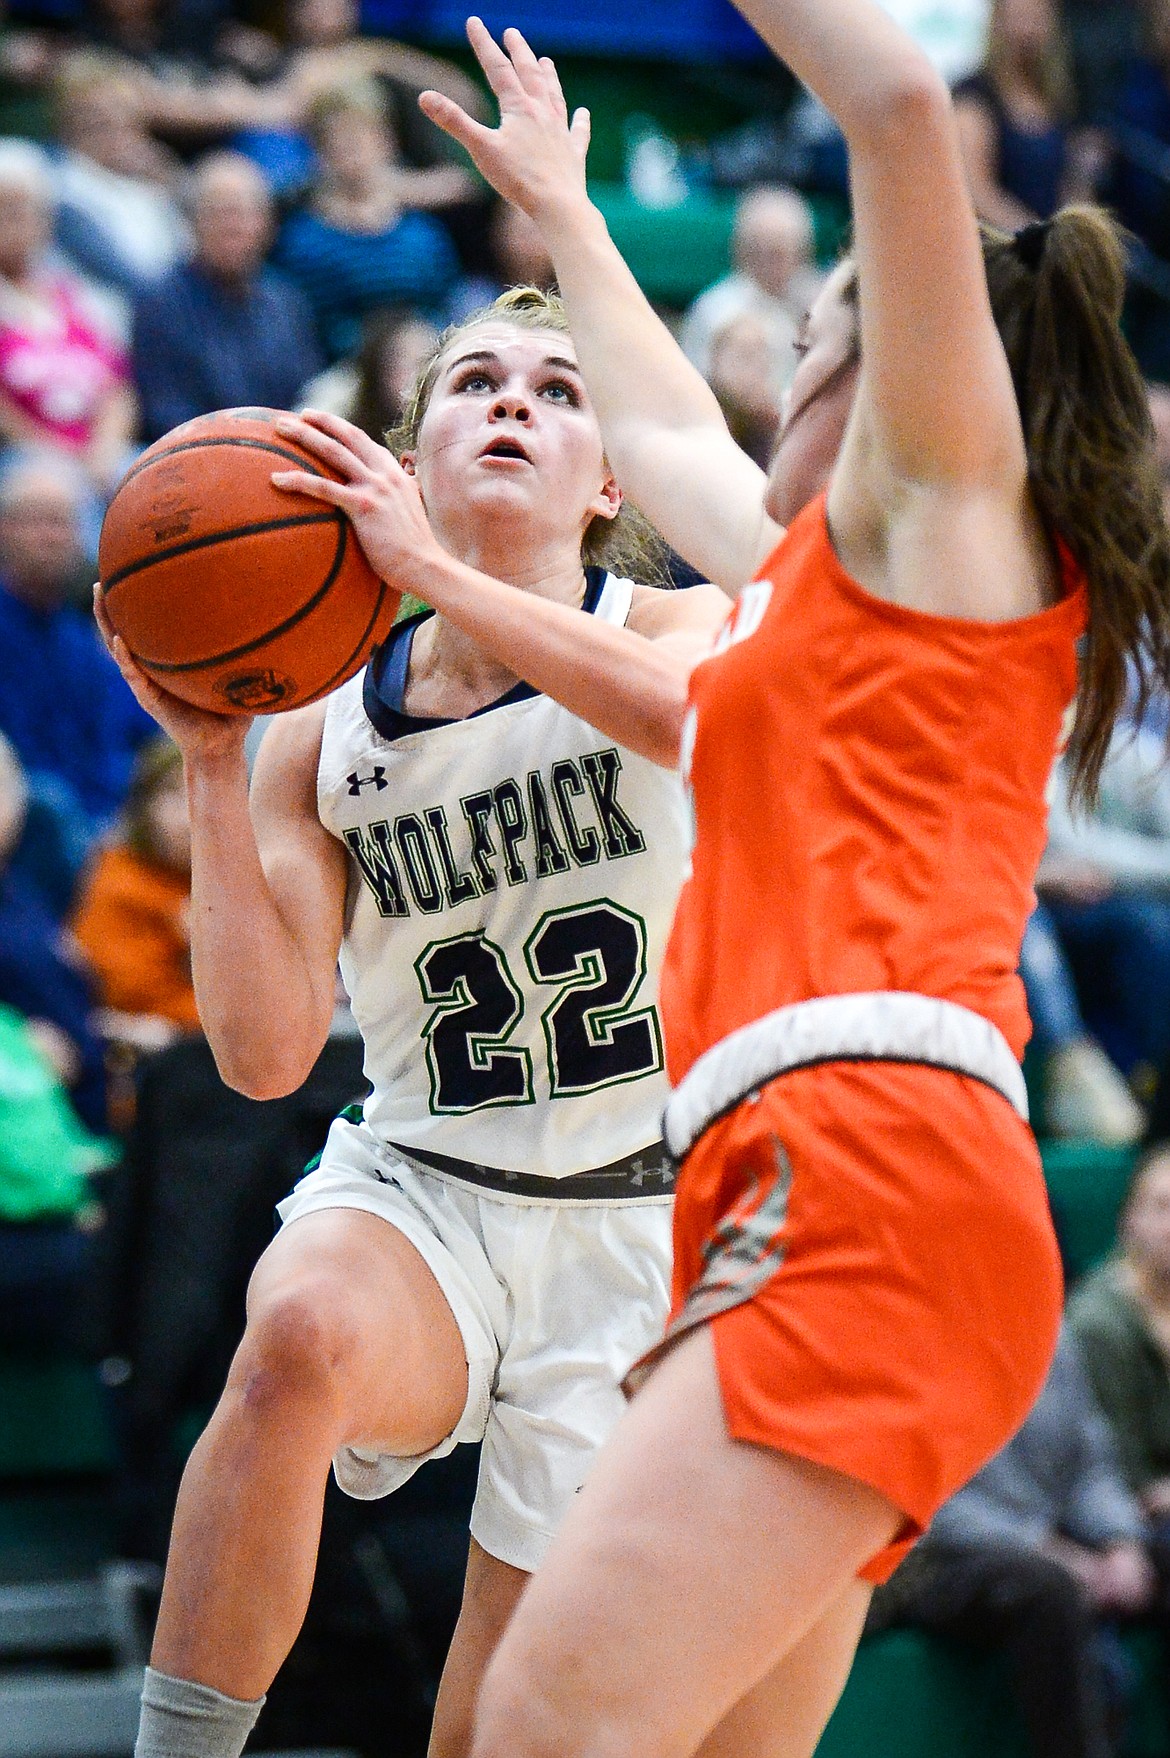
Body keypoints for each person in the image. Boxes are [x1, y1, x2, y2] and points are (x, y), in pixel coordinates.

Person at [267, 8, 1169, 1754]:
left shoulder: (957, 522)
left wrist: (433, 573)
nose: (773, 371)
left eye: (815, 340)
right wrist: (569, 215)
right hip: (815, 1186)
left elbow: (899, 101)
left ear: (887, 371)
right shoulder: (811, 594)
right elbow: (668, 428)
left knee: (539, 1729)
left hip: (870, 1170)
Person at [100, 284, 728, 1758]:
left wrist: (432, 573)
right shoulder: (321, 721)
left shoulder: (683, 626)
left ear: (613, 479)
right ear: (408, 451)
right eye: (476, 383)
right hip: (425, 1187)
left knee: (500, 1728)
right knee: (298, 1328)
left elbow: (685, 722)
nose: (514, 403)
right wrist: (208, 757)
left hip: (641, 1228)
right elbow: (260, 1058)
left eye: (561, 391)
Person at [870, 1327, 1154, 1758]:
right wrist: (1046, 1547)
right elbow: (932, 1500)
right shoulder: (922, 1337)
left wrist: (1120, 1541)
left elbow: (1090, 1466)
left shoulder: (1053, 1335)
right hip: (934, 1558)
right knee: (1047, 1588)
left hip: (1058, 1538)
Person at [131, 150, 323, 444]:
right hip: (197, 460)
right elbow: (166, 414)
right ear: (193, 223)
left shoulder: (287, 302)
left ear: (267, 225)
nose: (233, 227)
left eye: (244, 214)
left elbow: (310, 396)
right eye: (219, 213)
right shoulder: (159, 304)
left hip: (285, 454)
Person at [273, 77, 464, 360]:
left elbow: (445, 310)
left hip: (420, 365)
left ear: (386, 141)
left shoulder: (424, 235)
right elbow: (302, 329)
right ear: (321, 150)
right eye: (340, 137)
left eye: (363, 134)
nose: (353, 148)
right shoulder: (301, 242)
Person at [0, 139, 136, 496]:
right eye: (7, 210)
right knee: (48, 494)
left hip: (96, 456)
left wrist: (104, 451)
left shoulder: (73, 294)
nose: (18, 223)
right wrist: (60, 455)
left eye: (28, 211)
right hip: (24, 456)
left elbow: (118, 389)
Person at [71, 736, 199, 1046]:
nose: (191, 814)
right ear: (145, 806)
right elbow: (131, 995)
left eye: (202, 795)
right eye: (175, 795)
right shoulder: (120, 882)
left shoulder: (233, 879)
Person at [1068, 1145, 1170, 1527]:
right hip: (1124, 1520)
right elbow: (1113, 1466)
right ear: (1130, 1220)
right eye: (1162, 1207)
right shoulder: (1098, 1322)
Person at [953, 0, 1102, 229]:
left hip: (1054, 244)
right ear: (998, 21)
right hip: (1001, 249)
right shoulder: (974, 95)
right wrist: (1037, 239)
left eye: (1037, 17)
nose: (1028, 29)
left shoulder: (1060, 98)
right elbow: (975, 191)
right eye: (1019, 16)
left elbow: (1074, 183)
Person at [678, 183, 821, 397]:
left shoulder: (820, 301)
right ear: (743, 250)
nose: (777, 263)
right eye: (767, 251)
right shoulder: (717, 309)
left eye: (786, 251)